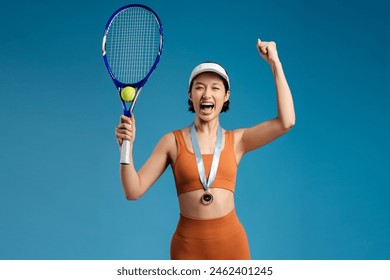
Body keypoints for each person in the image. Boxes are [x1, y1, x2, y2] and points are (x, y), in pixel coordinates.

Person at [115, 38, 295, 260]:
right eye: (199, 87)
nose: (207, 94)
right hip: (187, 248)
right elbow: (133, 191)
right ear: (190, 95)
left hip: (233, 246)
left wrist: (274, 62)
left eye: (215, 88)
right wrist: (127, 148)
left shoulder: (238, 140)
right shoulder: (172, 142)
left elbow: (286, 122)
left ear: (226, 96)